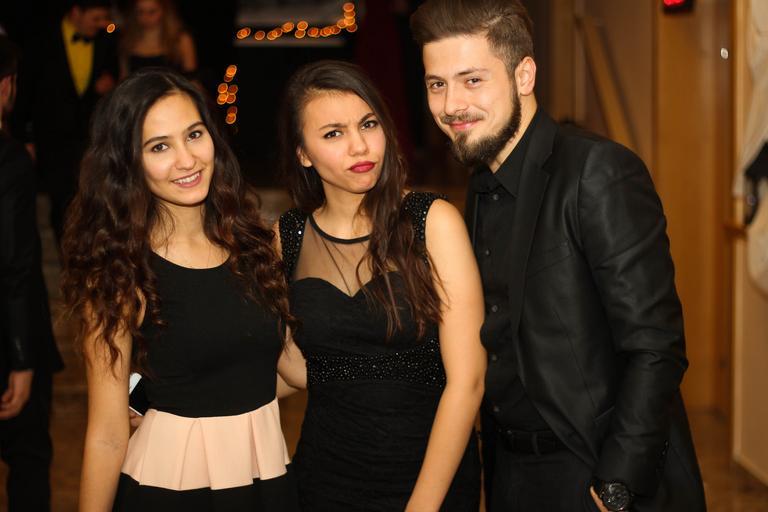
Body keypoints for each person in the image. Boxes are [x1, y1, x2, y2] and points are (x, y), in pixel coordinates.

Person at [409, 1, 707, 511]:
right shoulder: (480, 185)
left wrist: (616, 484)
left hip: (592, 469)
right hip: (510, 472)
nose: (451, 104)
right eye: (437, 84)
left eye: (472, 80)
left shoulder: (598, 171)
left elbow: (655, 345)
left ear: (524, 75)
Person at [61, 68, 298, 511]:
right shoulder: (122, 273)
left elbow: (280, 372)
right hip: (168, 490)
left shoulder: (256, 246)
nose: (186, 160)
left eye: (194, 134)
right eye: (159, 147)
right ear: (127, 163)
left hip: (264, 477)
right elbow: (108, 434)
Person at [275, 60, 486, 511]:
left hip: (430, 480)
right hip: (325, 478)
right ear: (303, 153)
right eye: (333, 133)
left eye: (368, 124)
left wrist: (422, 506)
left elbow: (468, 382)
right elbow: (289, 366)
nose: (359, 145)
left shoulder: (432, 221)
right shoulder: (290, 235)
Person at [0, 34, 64, 512]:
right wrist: (22, 360)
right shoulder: (9, 161)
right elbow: (16, 264)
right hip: (9, 340)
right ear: (6, 86)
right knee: (28, 460)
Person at [11, 0, 117, 248]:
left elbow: (111, 79)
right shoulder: (41, 41)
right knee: (61, 205)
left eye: (104, 18)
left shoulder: (106, 40)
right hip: (52, 141)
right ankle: (67, 257)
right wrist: (24, 137)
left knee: (94, 203)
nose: (102, 24)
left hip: (91, 139)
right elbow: (24, 94)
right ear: (76, 12)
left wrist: (109, 86)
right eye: (96, 18)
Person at [118, 0, 197, 79]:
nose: (145, 17)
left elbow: (191, 78)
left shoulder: (180, 40)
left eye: (152, 12)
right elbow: (124, 78)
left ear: (165, 11)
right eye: (140, 12)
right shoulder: (128, 41)